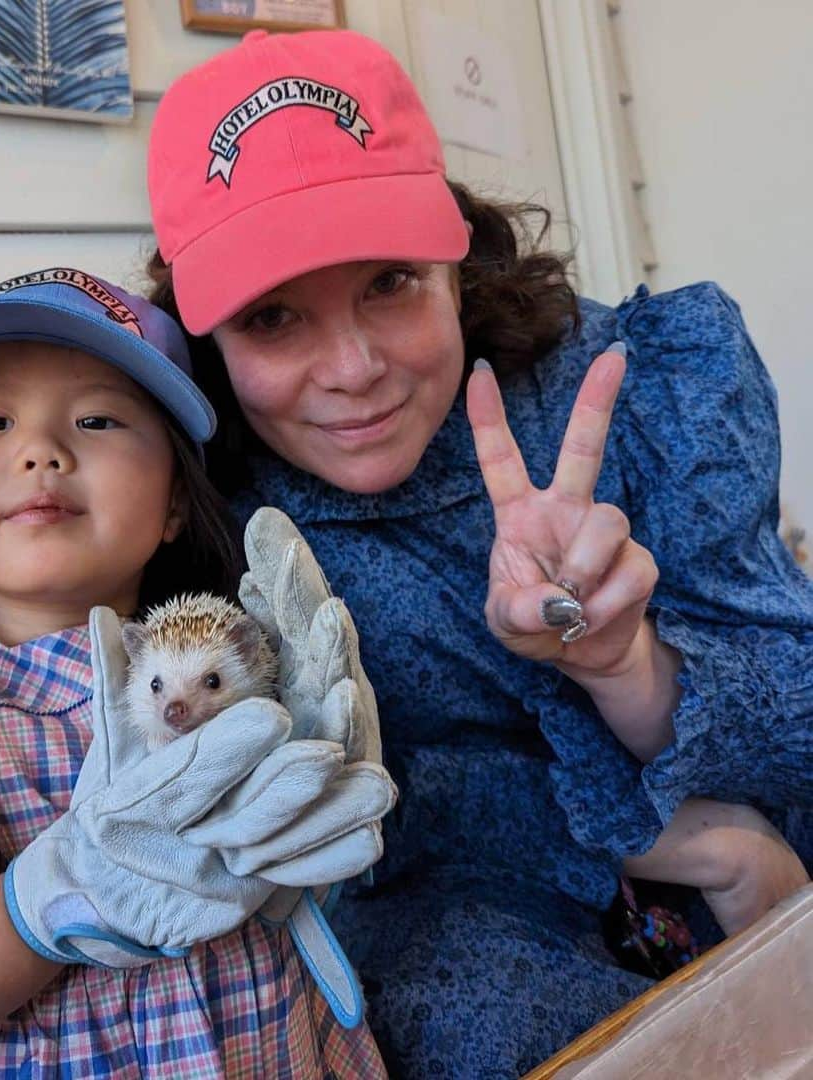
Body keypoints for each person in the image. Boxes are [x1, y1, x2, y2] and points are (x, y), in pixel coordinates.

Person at [144, 28, 813, 1078]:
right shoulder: (204, 515)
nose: (354, 367)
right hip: (489, 974)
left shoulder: (643, 390)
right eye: (275, 318)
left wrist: (624, 664)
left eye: (391, 282)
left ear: (458, 259)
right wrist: (654, 841)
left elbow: (795, 725)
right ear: (205, 342)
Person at [0, 268, 399, 1077]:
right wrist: (74, 883)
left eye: (97, 417)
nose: (40, 450)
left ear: (177, 500)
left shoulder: (262, 679)